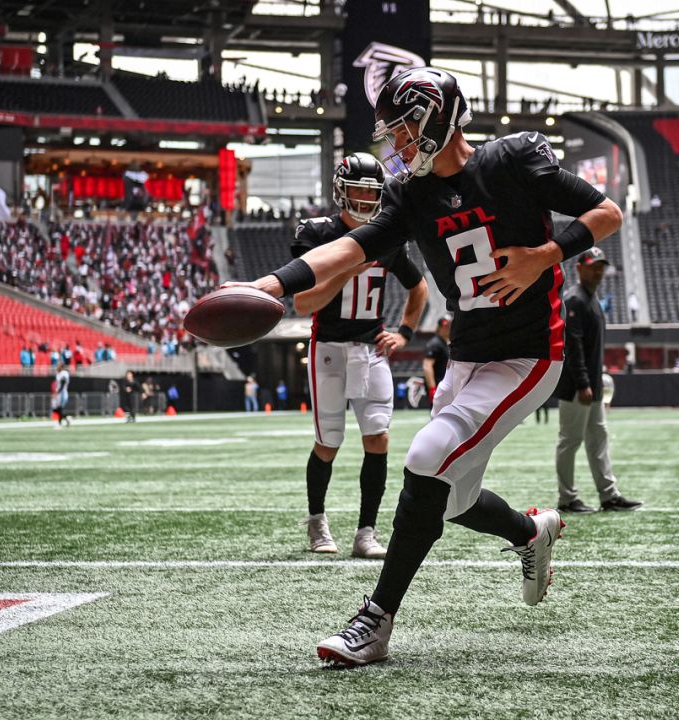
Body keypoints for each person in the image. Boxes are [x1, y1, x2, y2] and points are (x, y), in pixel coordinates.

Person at [227, 67, 622, 666]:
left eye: (405, 127)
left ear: (439, 115)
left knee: (424, 457)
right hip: (467, 356)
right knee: (453, 501)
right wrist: (270, 285)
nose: (398, 143)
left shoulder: (513, 159)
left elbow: (607, 213)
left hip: (526, 354)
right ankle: (529, 532)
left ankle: (375, 620)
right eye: (393, 132)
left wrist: (544, 255)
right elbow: (350, 249)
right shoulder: (410, 194)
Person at [290, 152, 430, 559]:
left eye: (372, 193)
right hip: (329, 349)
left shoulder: (384, 237)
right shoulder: (318, 234)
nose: (365, 201)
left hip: (371, 349)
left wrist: (403, 332)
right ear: (340, 191)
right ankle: (317, 521)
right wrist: (345, 269)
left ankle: (366, 532)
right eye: (357, 191)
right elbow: (302, 303)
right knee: (328, 443)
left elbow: (418, 287)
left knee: (378, 438)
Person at [553, 247, 643, 514]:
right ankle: (567, 499)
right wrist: (583, 383)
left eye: (601, 266)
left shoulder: (590, 300)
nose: (599, 271)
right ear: (579, 268)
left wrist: (594, 382)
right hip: (577, 387)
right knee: (570, 441)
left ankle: (609, 495)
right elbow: (574, 346)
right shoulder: (576, 300)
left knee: (598, 438)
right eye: (593, 266)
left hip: (590, 386)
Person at [422, 317, 450, 403]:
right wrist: (432, 388)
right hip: (438, 386)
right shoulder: (435, 344)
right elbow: (427, 366)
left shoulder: (445, 343)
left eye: (449, 326)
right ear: (440, 328)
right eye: (445, 326)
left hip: (444, 385)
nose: (448, 329)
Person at [52, 362, 71, 428]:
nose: (57, 367)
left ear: (62, 367)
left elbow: (63, 382)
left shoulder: (64, 373)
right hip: (59, 393)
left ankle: (60, 424)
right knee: (56, 409)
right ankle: (66, 418)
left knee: (59, 408)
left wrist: (58, 392)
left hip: (62, 393)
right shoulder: (58, 374)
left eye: (58, 366)